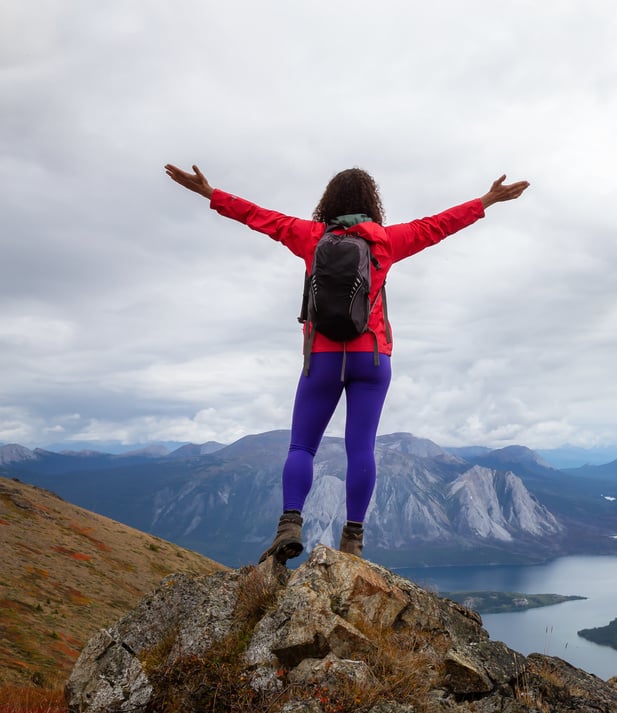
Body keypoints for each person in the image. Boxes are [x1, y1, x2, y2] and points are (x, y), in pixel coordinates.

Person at [164, 163, 529, 563]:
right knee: (361, 449)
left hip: (321, 357)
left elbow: (257, 216)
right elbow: (438, 225)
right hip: (371, 358)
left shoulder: (309, 236)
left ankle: (290, 524)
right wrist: (487, 201)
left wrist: (210, 193)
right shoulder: (387, 241)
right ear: (372, 203)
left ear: (328, 202)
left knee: (302, 446)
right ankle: (352, 539)